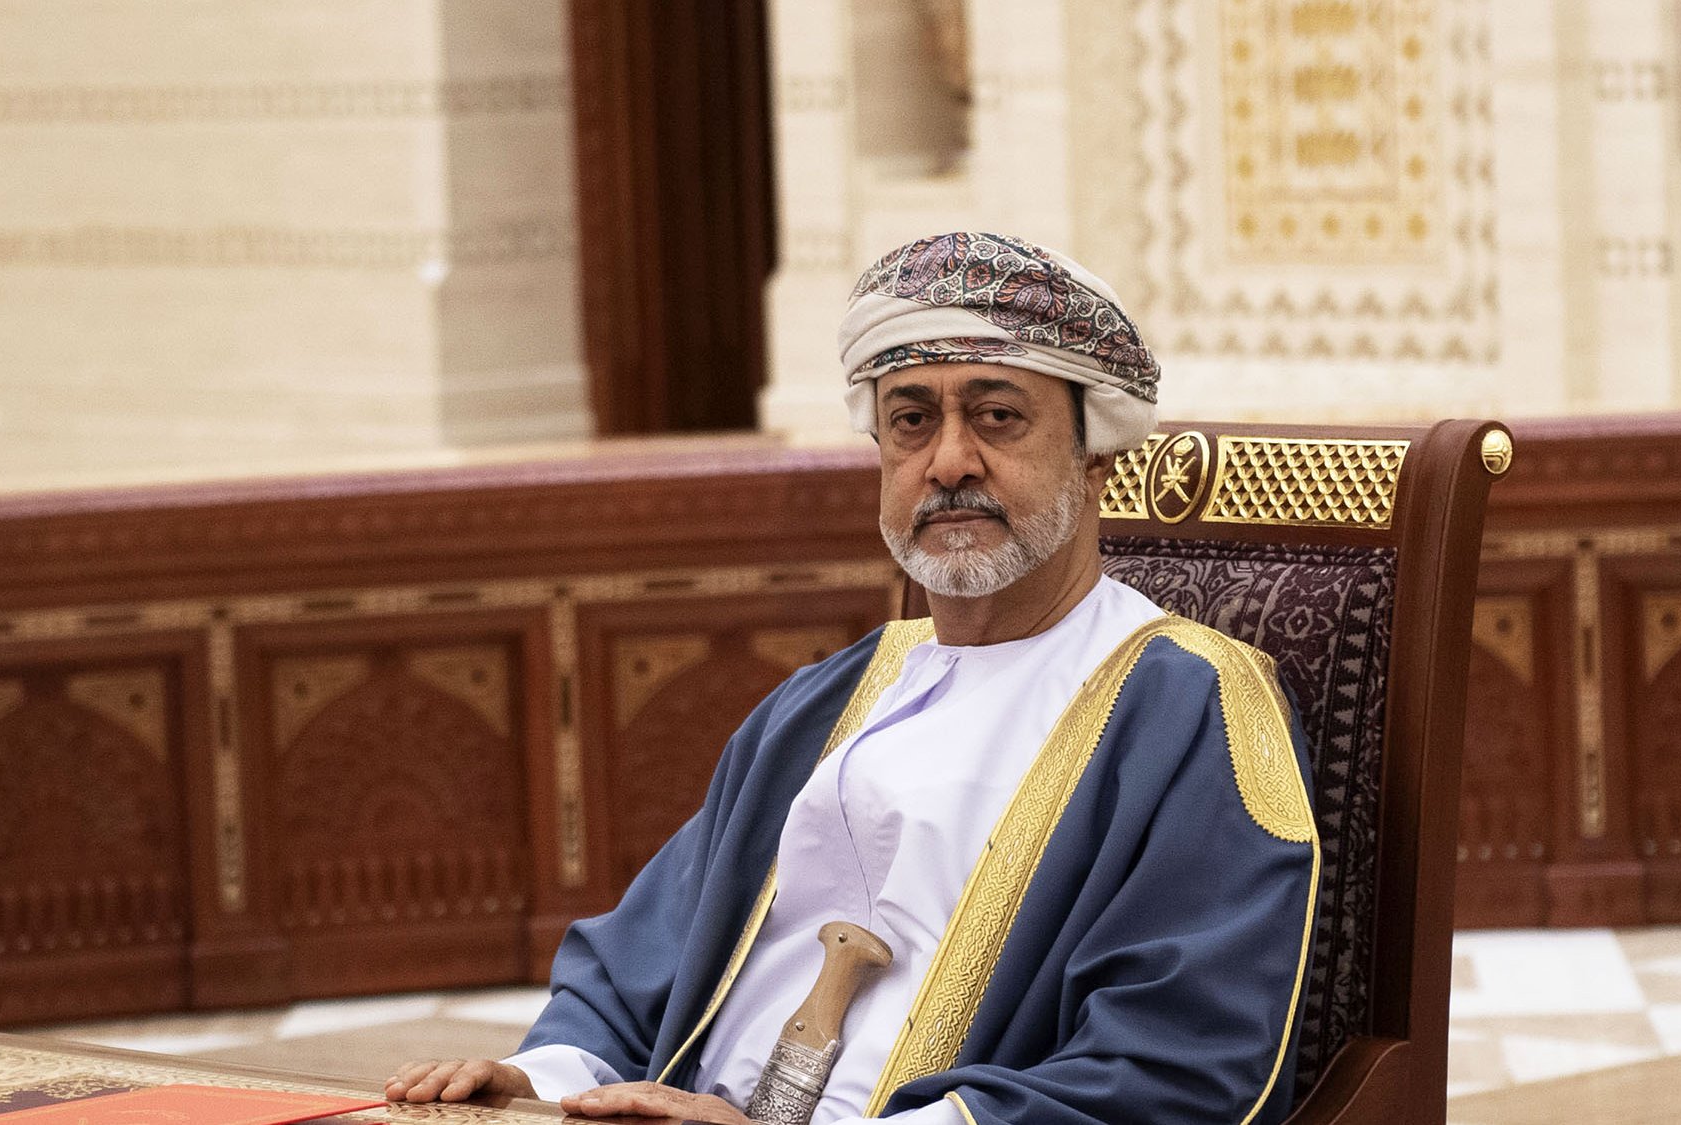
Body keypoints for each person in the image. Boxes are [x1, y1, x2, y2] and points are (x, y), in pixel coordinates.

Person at [386, 231, 1320, 1124]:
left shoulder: (1193, 707)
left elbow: (1183, 1064)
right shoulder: (826, 699)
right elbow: (634, 965)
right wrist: (536, 1076)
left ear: (1095, 452)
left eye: (997, 416)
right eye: (911, 421)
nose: (949, 461)